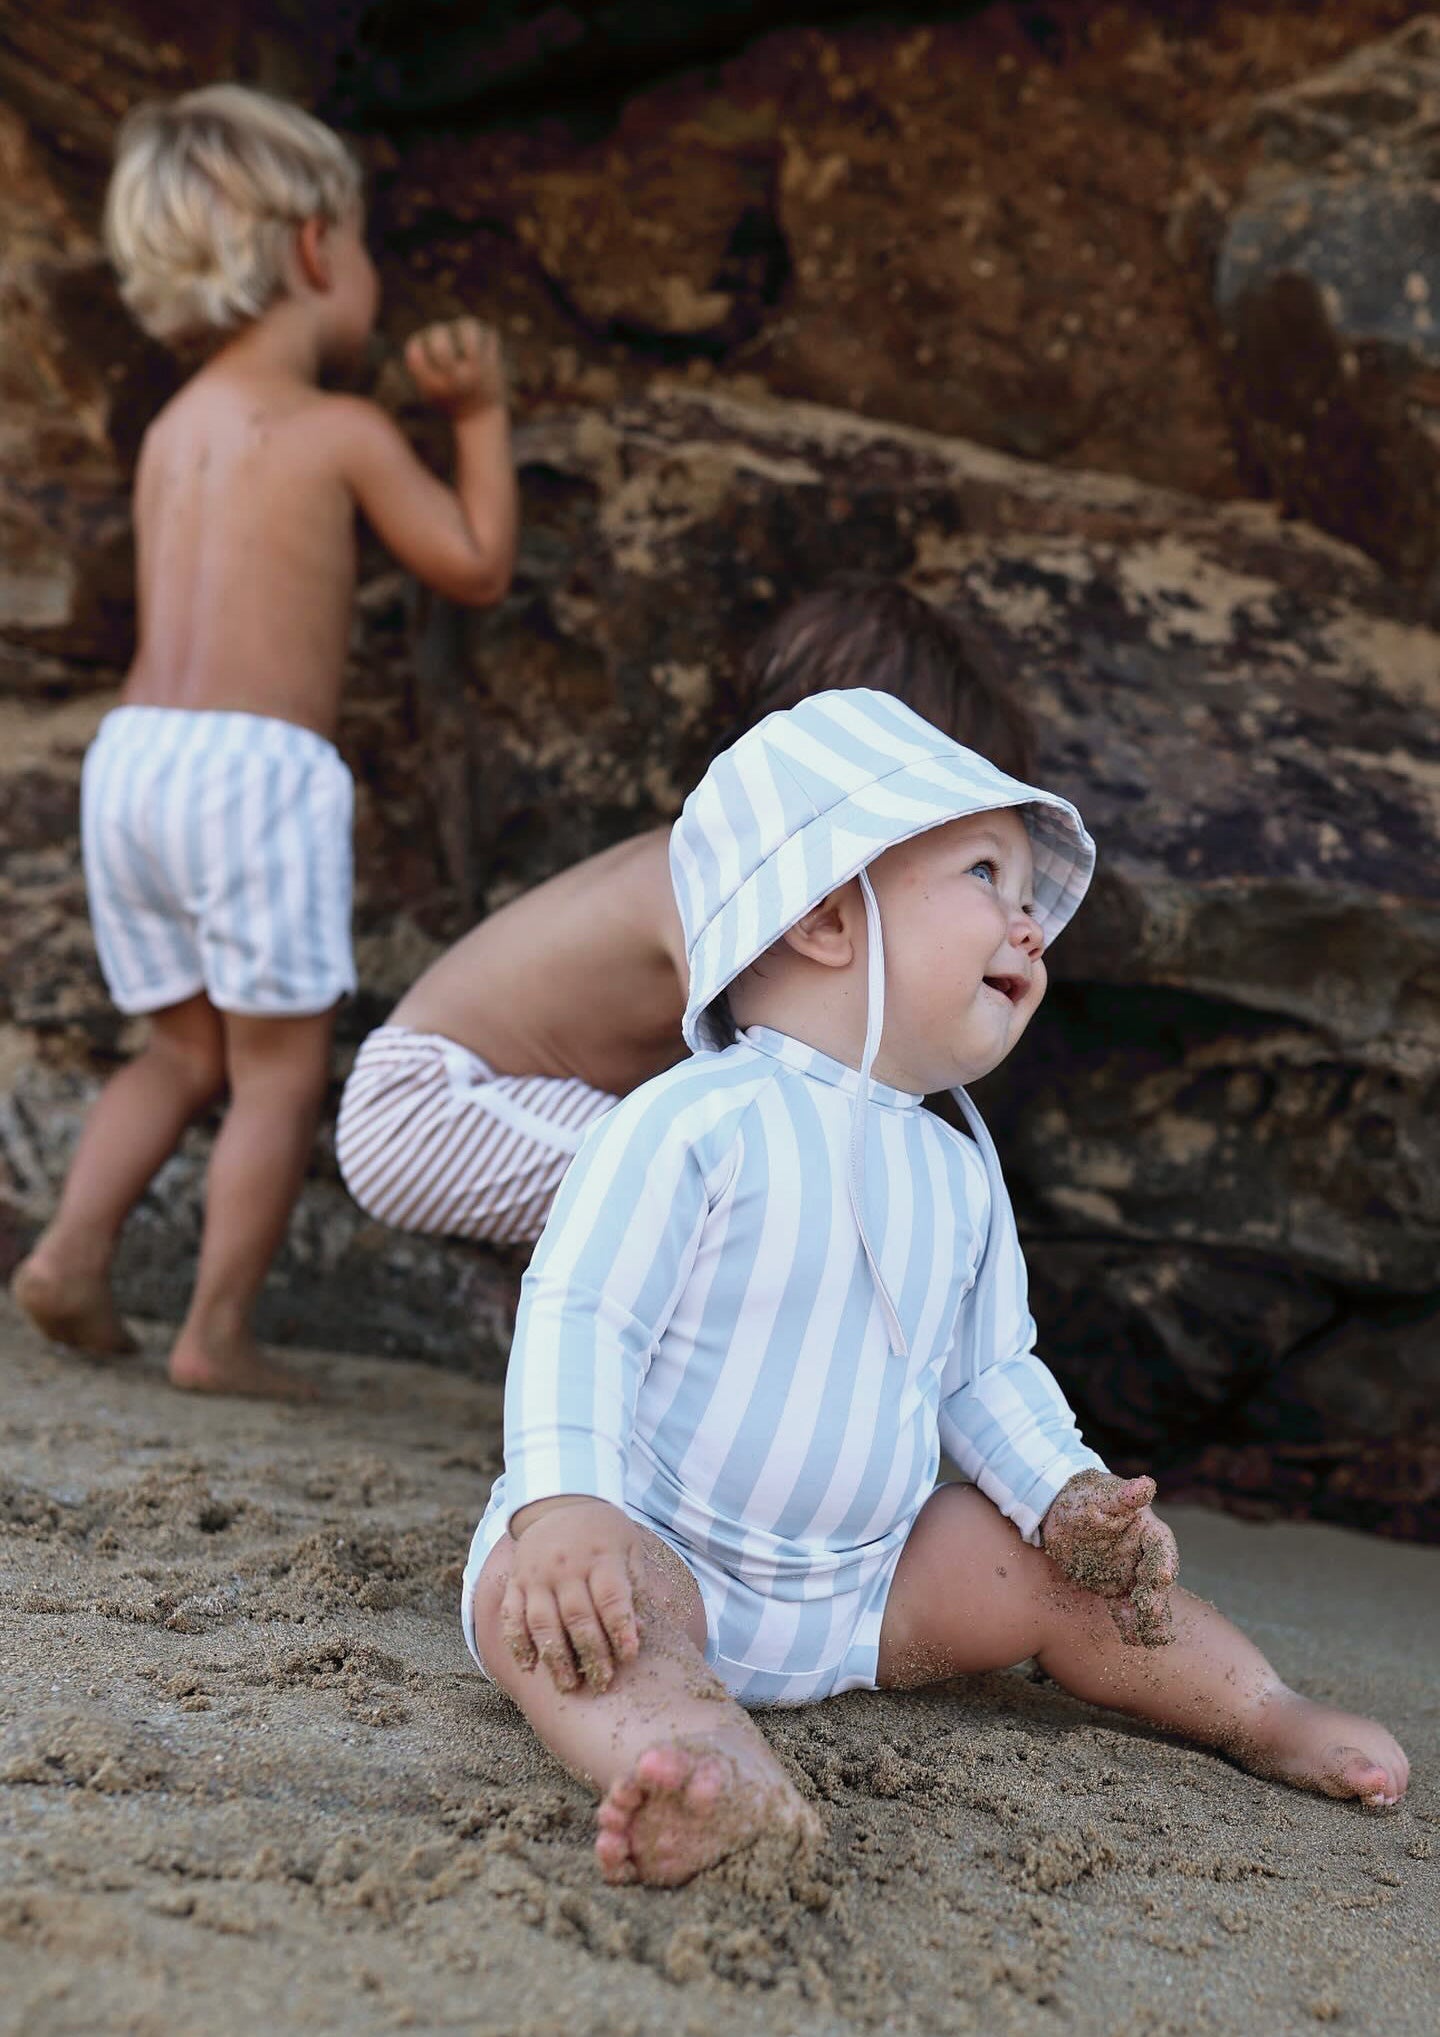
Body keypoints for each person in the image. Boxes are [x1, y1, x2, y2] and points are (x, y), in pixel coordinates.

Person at [461, 687, 1409, 1888]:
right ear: (825, 916)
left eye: (1030, 897)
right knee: (556, 1614)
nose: (1030, 928)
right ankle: (704, 1764)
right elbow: (583, 1313)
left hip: (871, 1589)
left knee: (1056, 1571)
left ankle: (1257, 1707)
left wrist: (1063, 1492)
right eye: (984, 875)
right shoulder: (693, 1121)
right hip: (668, 1549)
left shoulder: (957, 1171)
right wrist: (566, 1506)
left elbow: (986, 1372)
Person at [9, 84, 517, 1397]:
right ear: (314, 249)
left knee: (179, 1050)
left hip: (134, 761)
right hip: (252, 774)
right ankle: (217, 1332)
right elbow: (472, 564)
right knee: (276, 1075)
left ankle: (68, 1255)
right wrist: (477, 418)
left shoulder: (171, 432)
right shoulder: (340, 430)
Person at [335, 576, 1032, 1246]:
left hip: (508, 1098)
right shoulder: (705, 885)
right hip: (425, 1104)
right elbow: (784, 1093)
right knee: (707, 1176)